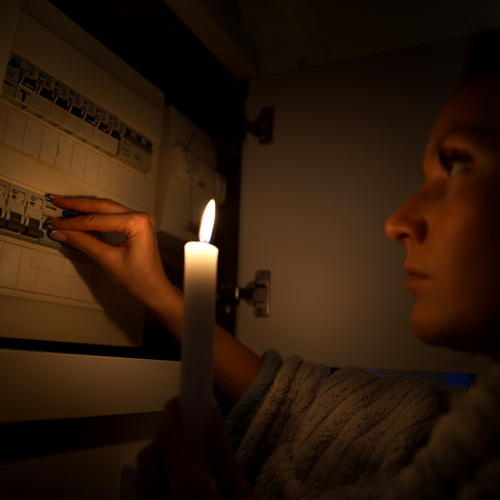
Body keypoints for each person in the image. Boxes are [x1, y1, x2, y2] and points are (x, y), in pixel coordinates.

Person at [45, 33, 500, 498]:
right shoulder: (459, 432)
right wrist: (155, 291)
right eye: (425, 178)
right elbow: (299, 407)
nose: (397, 223)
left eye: (455, 166)